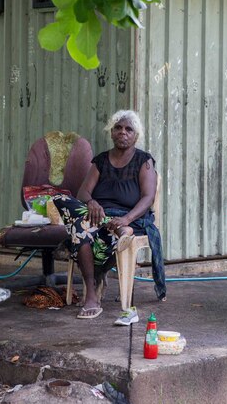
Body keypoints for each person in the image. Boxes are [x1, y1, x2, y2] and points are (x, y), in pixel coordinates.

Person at [52, 110, 165, 321]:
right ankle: (92, 293)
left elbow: (148, 197)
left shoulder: (143, 160)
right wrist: (92, 202)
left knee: (80, 228)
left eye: (128, 129)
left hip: (129, 217)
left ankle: (93, 294)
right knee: (61, 200)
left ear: (135, 135)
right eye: (118, 128)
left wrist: (127, 219)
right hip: (98, 216)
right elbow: (83, 193)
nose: (123, 132)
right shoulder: (101, 161)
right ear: (111, 132)